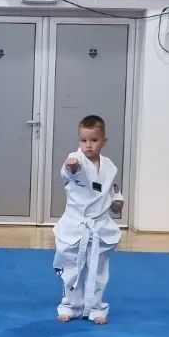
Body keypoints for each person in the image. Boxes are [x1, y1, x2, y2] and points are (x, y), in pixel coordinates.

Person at [54, 114, 124, 324]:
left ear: (104, 141)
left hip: (99, 225)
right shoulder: (75, 160)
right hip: (75, 224)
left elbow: (112, 189)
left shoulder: (109, 166)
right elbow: (68, 173)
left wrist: (117, 201)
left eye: (94, 140)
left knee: (98, 269)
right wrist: (71, 167)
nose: (88, 145)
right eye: (83, 140)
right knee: (71, 268)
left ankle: (96, 307)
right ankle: (70, 305)